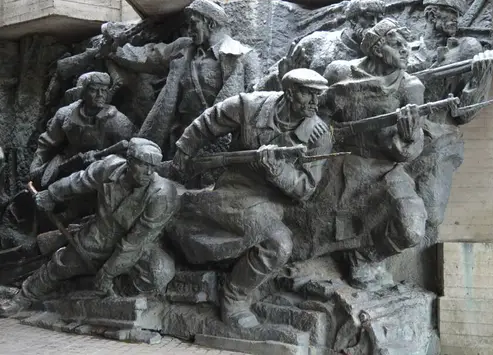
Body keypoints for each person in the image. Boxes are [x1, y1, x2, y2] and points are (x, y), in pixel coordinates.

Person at [171, 68, 332, 329]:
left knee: (278, 245)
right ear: (290, 92)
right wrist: (184, 148)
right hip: (231, 191)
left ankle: (235, 295)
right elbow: (209, 120)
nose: (315, 102)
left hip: (275, 202)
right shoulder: (251, 106)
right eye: (308, 94)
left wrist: (277, 170)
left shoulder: (318, 134)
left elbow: (306, 188)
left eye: (319, 95)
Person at [0, 138, 180, 317]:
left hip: (141, 246)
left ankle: (109, 292)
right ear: (130, 161)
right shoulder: (109, 167)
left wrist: (108, 273)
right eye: (143, 165)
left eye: (153, 167)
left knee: (160, 272)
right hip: (100, 233)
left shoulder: (162, 194)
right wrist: (51, 194)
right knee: (61, 264)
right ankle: (22, 298)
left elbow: (135, 242)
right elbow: (78, 181)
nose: (149, 172)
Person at [314, 19, 427, 289]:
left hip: (384, 166)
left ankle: (365, 257)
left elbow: (413, 147)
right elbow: (317, 114)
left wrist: (409, 135)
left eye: (406, 44)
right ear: (377, 49)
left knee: (411, 229)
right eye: (397, 44)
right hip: (339, 160)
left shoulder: (410, 87)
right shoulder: (339, 72)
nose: (405, 50)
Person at [109, 0, 260, 150]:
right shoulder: (183, 49)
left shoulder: (243, 56)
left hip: (221, 140)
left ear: (211, 24)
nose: (189, 30)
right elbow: (149, 57)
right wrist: (113, 50)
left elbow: (256, 98)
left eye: (193, 23)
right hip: (182, 139)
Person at [406, 0, 493, 229]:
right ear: (430, 14)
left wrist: (481, 76)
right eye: (451, 13)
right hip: (401, 139)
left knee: (432, 215)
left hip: (439, 142)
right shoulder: (404, 50)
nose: (456, 20)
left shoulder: (466, 50)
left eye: (458, 15)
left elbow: (465, 113)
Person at [30, 72, 136, 188]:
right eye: (94, 90)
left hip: (98, 175)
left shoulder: (117, 121)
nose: (100, 95)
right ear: (83, 93)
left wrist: (102, 158)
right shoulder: (65, 115)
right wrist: (35, 169)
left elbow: (130, 153)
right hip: (65, 166)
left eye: (104, 90)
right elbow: (46, 145)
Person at [257, 0, 385, 90]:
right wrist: (283, 76)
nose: (374, 23)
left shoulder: (382, 55)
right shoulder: (317, 41)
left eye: (379, 19)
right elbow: (261, 86)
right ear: (353, 19)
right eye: (369, 17)